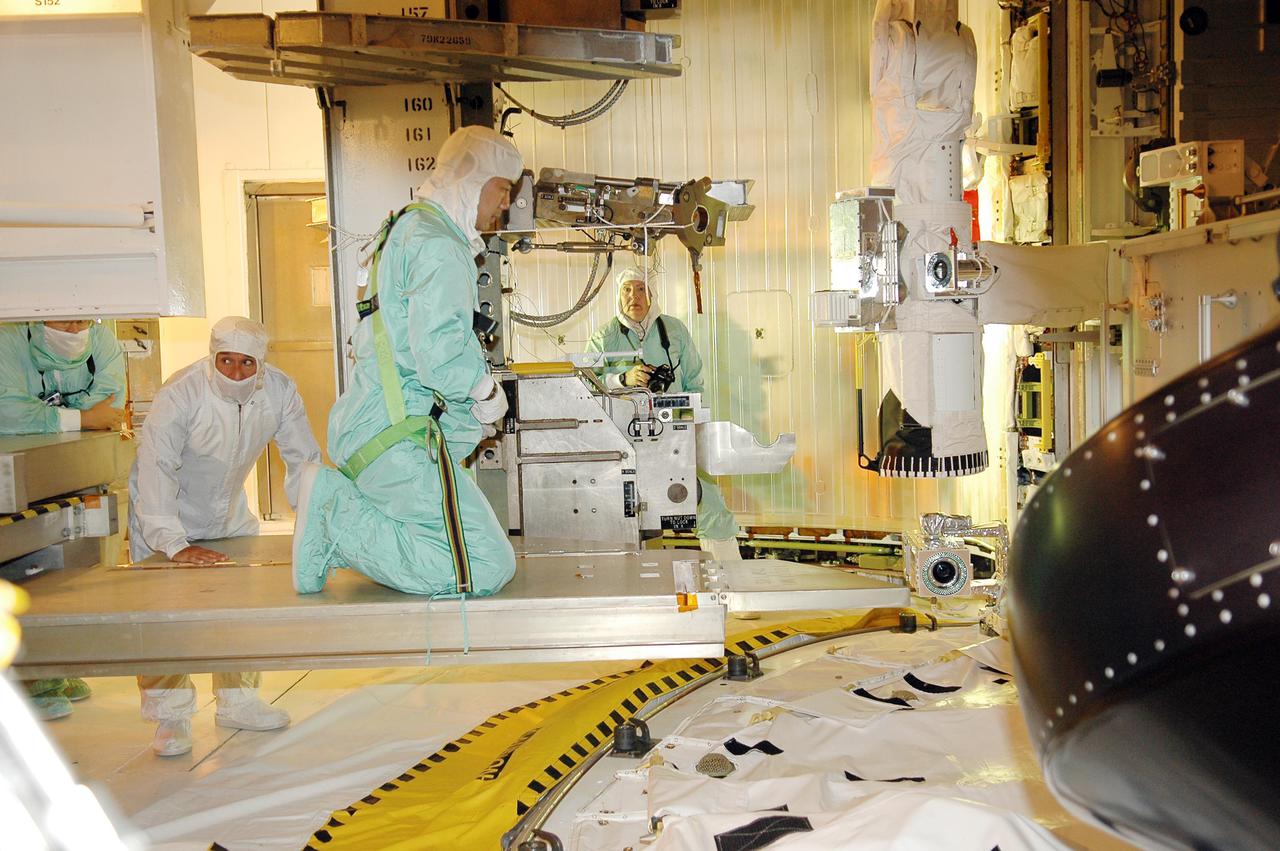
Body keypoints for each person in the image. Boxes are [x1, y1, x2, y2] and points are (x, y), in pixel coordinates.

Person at [292, 125, 523, 599]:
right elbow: (439, 355)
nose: (506, 205)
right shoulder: (439, 244)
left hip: (379, 432)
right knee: (483, 566)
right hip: (398, 441)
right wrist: (484, 393)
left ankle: (341, 515)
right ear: (471, 179)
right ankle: (335, 517)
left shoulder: (402, 228)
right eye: (503, 190)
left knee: (456, 545)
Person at [128, 316, 321, 756]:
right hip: (166, 513)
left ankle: (238, 701)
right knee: (166, 620)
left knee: (239, 610)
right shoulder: (181, 393)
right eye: (226, 361)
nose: (235, 372)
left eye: (246, 363)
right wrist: (173, 543)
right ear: (212, 355)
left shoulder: (278, 391)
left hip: (229, 516)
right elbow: (156, 467)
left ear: (262, 364)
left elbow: (303, 459)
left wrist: (316, 526)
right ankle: (170, 716)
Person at [0, 319, 127, 720]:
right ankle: (24, 680)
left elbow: (112, 401)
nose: (74, 327)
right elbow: (8, 411)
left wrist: (56, 416)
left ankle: (53, 669)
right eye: (62, 318)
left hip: (72, 469)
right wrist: (82, 418)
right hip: (18, 477)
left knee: (64, 570)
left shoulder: (103, 340)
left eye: (81, 318)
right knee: (19, 571)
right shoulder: (8, 343)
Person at [585, 270, 741, 560]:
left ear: (652, 295)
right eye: (627, 290)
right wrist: (623, 380)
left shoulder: (674, 331)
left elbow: (694, 380)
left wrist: (697, 428)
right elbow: (586, 386)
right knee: (629, 509)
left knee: (709, 500)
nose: (635, 297)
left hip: (676, 434)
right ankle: (631, 580)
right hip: (625, 440)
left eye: (642, 289)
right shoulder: (604, 338)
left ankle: (730, 575)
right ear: (619, 296)